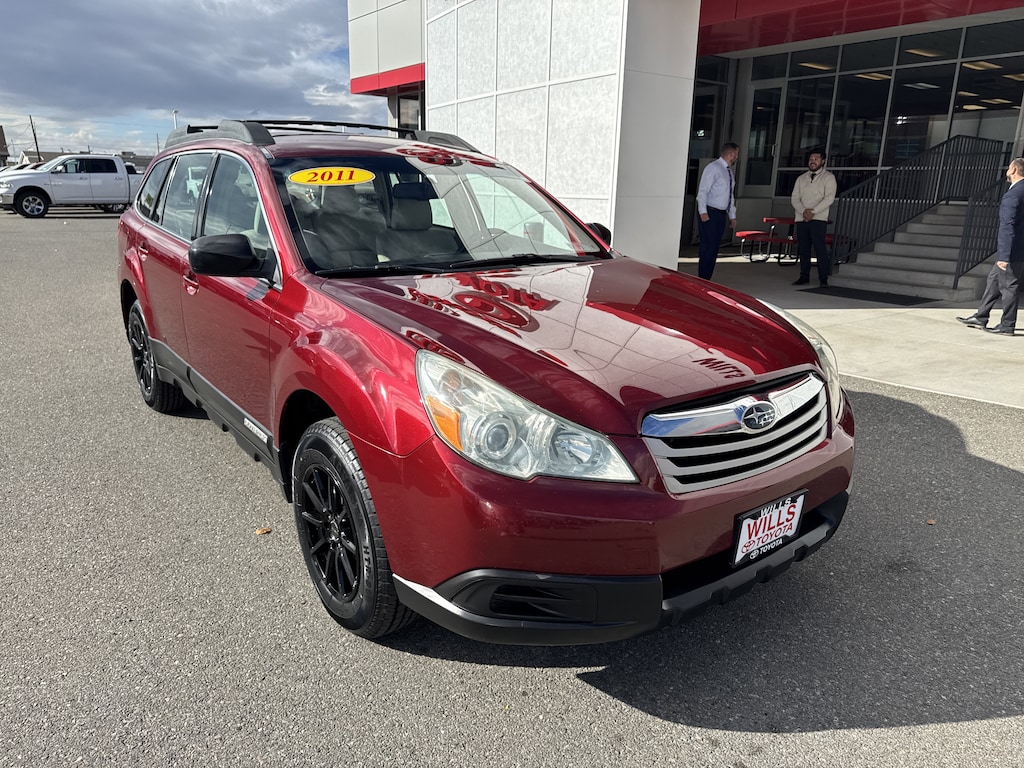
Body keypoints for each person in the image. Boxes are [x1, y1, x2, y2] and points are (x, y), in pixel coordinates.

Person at [956, 157, 1024, 336]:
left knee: (1009, 286)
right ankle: (981, 316)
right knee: (993, 280)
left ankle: (1007, 325)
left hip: (1012, 251)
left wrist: (1004, 256)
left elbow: (1007, 225)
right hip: (1018, 248)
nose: (1007, 171)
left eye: (1009, 168)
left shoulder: (1013, 194)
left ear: (1014, 170)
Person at [790, 149, 837, 287]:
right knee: (803, 249)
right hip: (802, 218)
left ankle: (823, 278)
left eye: (816, 158)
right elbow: (794, 198)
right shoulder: (801, 178)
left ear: (822, 161)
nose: (813, 161)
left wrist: (813, 211)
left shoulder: (828, 177)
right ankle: (804, 276)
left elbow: (829, 198)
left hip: (819, 219)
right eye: (811, 158)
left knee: (819, 248)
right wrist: (803, 211)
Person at [696, 142, 739, 280]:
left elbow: (730, 195)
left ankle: (707, 277)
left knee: (714, 247)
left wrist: (732, 215)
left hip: (720, 214)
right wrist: (703, 212)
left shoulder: (729, 172)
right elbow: (703, 191)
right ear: (731, 154)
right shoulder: (713, 168)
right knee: (708, 246)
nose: (736, 158)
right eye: (736, 155)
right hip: (710, 212)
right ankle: (703, 277)